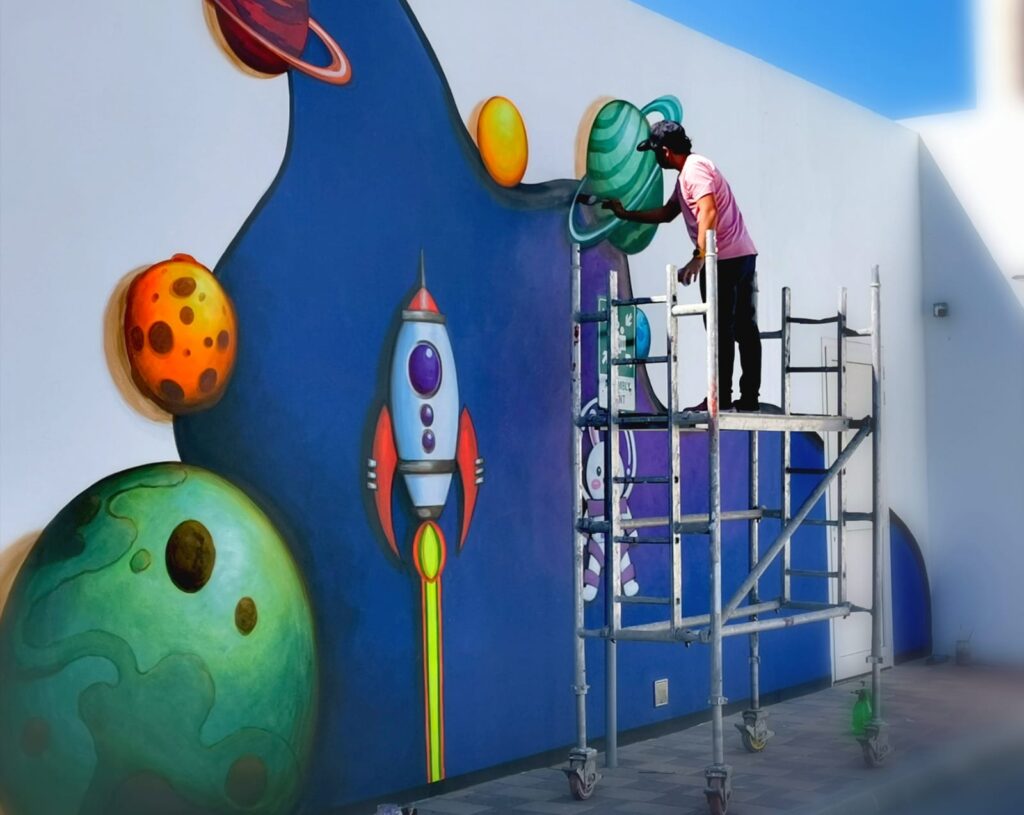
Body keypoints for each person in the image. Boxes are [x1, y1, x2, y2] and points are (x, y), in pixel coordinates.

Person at [602, 121, 761, 412]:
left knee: (724, 331)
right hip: (739, 255)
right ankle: (744, 398)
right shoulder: (686, 174)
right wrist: (625, 214)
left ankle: (726, 398)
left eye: (654, 153)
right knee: (739, 329)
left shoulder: (694, 169)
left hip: (723, 260)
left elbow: (708, 210)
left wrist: (700, 256)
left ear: (665, 151)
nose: (655, 159)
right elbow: (666, 213)